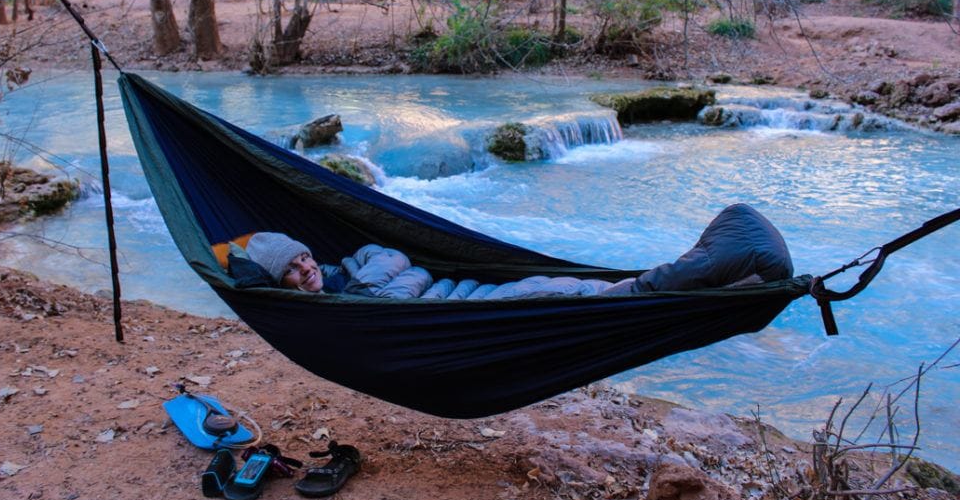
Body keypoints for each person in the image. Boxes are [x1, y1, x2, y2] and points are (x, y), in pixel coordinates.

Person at [234, 203, 794, 299]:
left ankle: (729, 262)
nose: (305, 269)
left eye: (304, 259)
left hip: (464, 301)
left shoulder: (349, 269)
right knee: (581, 296)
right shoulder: (320, 304)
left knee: (584, 293)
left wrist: (358, 288)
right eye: (292, 270)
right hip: (460, 311)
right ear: (275, 282)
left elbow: (403, 262)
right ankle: (733, 275)